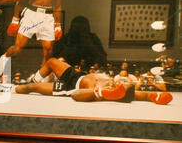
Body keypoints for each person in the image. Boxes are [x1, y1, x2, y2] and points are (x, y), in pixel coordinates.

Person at [0, 0, 64, 76]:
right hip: (31, 14)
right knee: (18, 48)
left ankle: (39, 78)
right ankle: (3, 60)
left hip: (48, 17)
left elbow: (58, 6)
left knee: (48, 50)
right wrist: (15, 19)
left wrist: (58, 25)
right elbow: (21, 0)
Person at [15, 57, 173, 105]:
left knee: (32, 87)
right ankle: (24, 82)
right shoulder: (117, 82)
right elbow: (146, 96)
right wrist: (155, 96)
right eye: (125, 82)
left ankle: (11, 90)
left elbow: (76, 95)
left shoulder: (111, 92)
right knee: (51, 61)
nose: (125, 81)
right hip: (78, 74)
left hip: (70, 85)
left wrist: (101, 92)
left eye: (125, 84)